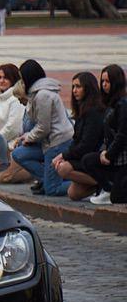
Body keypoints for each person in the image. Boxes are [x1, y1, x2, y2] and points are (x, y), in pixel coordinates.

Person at [8, 60, 74, 196]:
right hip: (48, 142)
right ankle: (48, 179)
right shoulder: (36, 93)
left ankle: (84, 183)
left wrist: (28, 138)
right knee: (19, 154)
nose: (21, 81)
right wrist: (25, 137)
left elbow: (44, 128)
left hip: (57, 143)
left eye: (22, 77)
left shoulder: (43, 95)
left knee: (52, 190)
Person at [53, 70, 109, 202]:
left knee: (63, 168)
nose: (74, 90)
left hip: (95, 158)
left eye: (78, 87)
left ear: (87, 88)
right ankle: (98, 185)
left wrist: (64, 156)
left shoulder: (94, 112)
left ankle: (107, 183)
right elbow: (76, 140)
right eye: (73, 87)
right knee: (73, 194)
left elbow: (87, 145)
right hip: (83, 157)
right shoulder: (82, 109)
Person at [88, 65, 127, 205]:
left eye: (108, 82)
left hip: (122, 158)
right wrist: (104, 151)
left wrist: (109, 155)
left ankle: (114, 189)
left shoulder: (123, 104)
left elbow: (122, 135)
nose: (104, 85)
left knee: (118, 199)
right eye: (103, 81)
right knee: (89, 160)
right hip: (112, 155)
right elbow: (107, 134)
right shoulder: (110, 103)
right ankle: (108, 188)